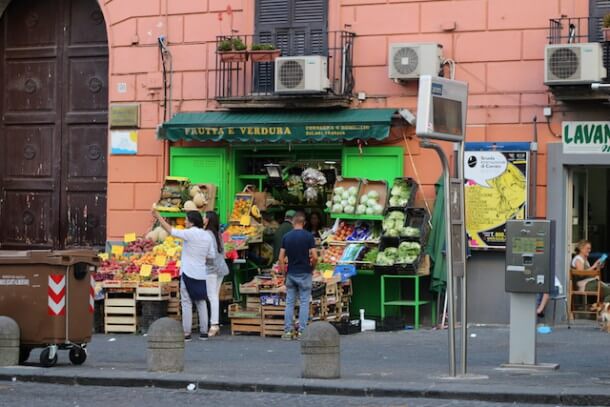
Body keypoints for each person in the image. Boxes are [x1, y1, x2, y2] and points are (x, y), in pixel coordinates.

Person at [152, 208, 215, 341]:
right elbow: (211, 256)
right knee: (201, 302)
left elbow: (170, 230)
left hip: (188, 272)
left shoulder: (189, 233)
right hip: (201, 273)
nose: (185, 221)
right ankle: (204, 332)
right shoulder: (207, 236)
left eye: (186, 219)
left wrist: (158, 216)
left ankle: (187, 333)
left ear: (191, 222)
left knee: (186, 303)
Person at [278, 212, 318, 340]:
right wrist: (312, 268)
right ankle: (302, 332)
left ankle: (288, 331)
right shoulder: (308, 236)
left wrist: (285, 273)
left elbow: (280, 258)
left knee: (289, 303)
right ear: (304, 223)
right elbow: (315, 256)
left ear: (293, 222)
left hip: (291, 273)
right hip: (305, 273)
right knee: (304, 302)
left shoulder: (286, 237)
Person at [203, 211, 230, 337]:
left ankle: (214, 324)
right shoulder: (218, 233)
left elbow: (208, 253)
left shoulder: (207, 234)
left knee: (212, 296)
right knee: (214, 295)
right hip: (220, 268)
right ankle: (215, 324)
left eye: (204, 217)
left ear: (208, 220)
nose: (203, 219)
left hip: (211, 268)